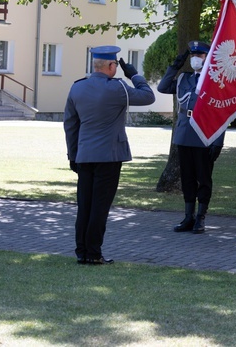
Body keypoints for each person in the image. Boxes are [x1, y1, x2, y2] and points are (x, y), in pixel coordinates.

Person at [64, 46, 155, 265]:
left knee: (84, 205)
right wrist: (134, 75)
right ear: (111, 66)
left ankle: (82, 251)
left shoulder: (77, 88)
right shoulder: (118, 88)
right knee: (100, 206)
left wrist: (73, 155)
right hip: (109, 156)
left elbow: (70, 125)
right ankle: (94, 253)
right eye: (115, 65)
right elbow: (148, 97)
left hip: (84, 155)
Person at [158, 41, 224, 234]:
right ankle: (188, 216)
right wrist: (175, 66)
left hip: (205, 135)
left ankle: (201, 218)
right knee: (187, 178)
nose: (196, 59)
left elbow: (221, 113)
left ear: (207, 58)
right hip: (185, 134)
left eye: (200, 56)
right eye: (193, 55)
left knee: (203, 178)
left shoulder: (214, 81)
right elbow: (162, 87)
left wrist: (218, 141)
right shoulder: (183, 79)